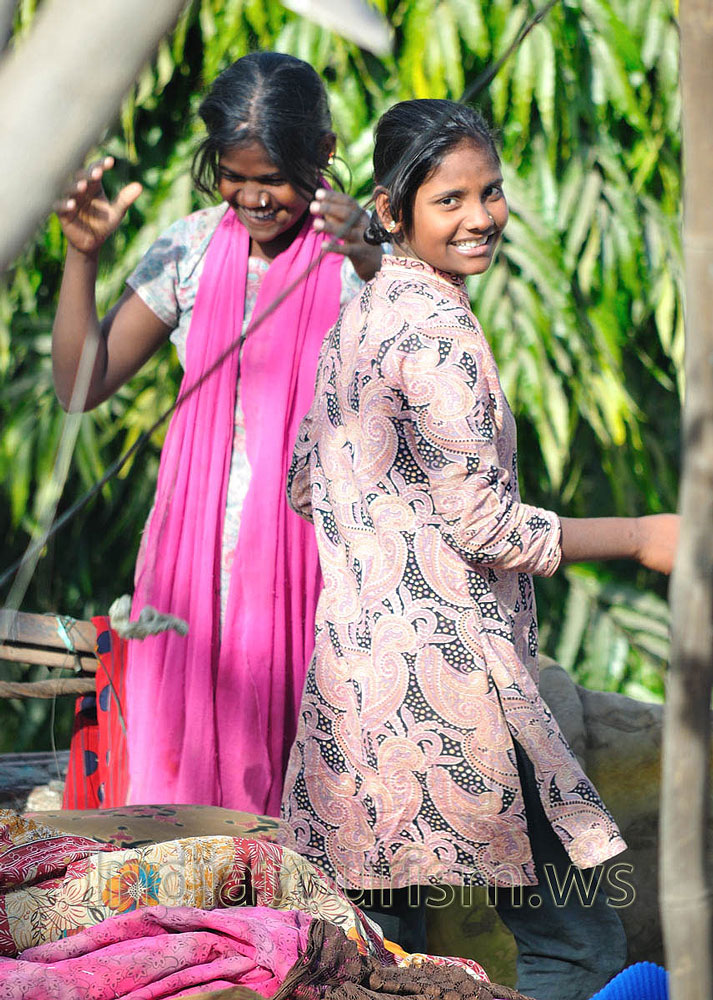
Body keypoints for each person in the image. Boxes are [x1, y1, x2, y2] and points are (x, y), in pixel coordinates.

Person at [280, 99, 679, 1000]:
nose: (479, 217)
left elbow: (306, 485)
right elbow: (485, 526)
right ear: (391, 211)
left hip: (359, 699)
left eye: (489, 192)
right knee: (577, 946)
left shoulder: (359, 317)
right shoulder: (443, 331)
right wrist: (644, 536)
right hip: (463, 693)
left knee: (378, 965)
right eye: (449, 199)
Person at [52, 52, 383, 814]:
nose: (254, 197)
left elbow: (429, 376)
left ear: (325, 154)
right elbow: (81, 384)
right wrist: (82, 257)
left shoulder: (360, 260)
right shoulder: (191, 248)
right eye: (234, 177)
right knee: (181, 774)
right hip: (192, 562)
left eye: (272, 177)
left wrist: (371, 261)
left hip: (320, 563)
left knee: (313, 774)